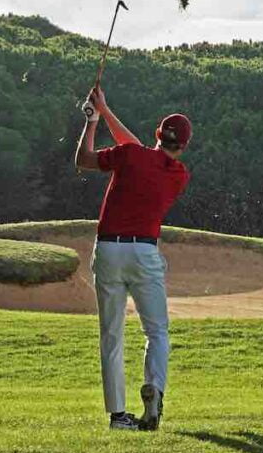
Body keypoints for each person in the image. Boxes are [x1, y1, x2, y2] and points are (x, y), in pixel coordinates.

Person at [74, 85, 191, 431]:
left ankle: (117, 416)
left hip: (109, 249)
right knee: (157, 332)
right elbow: (138, 149)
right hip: (144, 252)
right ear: (182, 146)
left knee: (111, 334)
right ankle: (154, 387)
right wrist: (106, 112)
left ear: (157, 135)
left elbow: (84, 159)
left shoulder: (130, 156)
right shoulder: (178, 175)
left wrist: (93, 120)